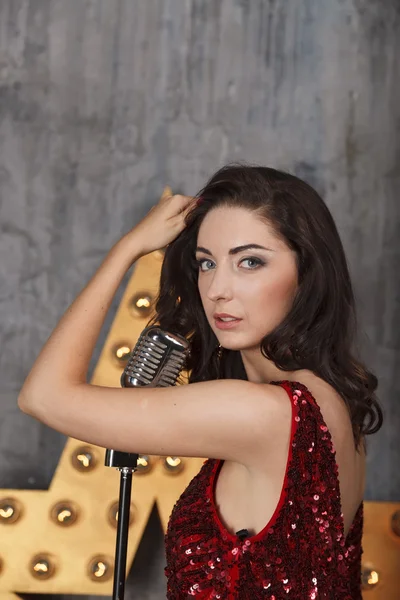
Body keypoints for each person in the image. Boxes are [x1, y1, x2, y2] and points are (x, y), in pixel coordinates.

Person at [19, 164, 383, 599]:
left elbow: (44, 396)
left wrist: (128, 248)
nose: (216, 289)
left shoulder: (266, 413)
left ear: (307, 273)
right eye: (206, 263)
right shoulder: (334, 400)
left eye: (250, 262)